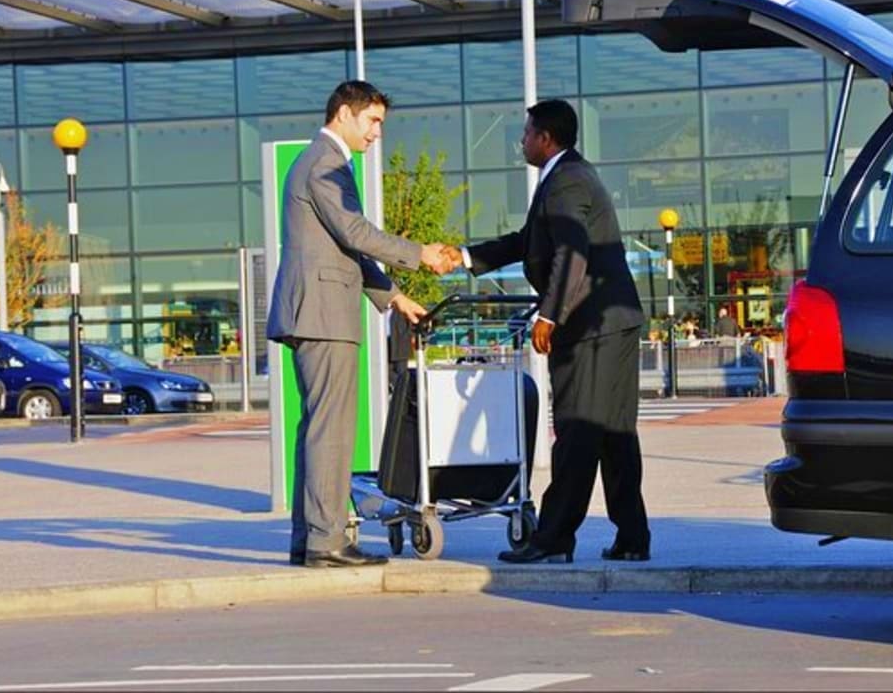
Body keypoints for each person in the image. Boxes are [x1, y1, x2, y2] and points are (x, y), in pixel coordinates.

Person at [441, 99, 650, 564]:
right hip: (611, 324)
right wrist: (466, 256)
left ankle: (554, 538)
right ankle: (632, 536)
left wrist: (549, 316)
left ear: (545, 138)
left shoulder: (566, 180)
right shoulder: (567, 176)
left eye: (526, 134)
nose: (522, 142)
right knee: (614, 433)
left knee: (577, 431)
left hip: (590, 327)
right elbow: (528, 242)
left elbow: (571, 253)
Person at [267, 80, 454, 569]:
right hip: (323, 314)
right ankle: (327, 541)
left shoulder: (320, 161)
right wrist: (420, 253)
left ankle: (310, 538)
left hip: (317, 311)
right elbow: (355, 233)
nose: (376, 133)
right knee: (330, 430)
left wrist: (394, 298)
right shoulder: (324, 163)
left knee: (318, 428)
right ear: (344, 114)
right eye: (372, 121)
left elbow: (344, 246)